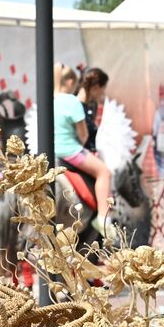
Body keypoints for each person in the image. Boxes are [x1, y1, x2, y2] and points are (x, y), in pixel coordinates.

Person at [51, 63, 111, 234]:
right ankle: (103, 218)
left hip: (52, 151)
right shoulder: (72, 101)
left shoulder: (50, 100)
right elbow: (83, 135)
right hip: (70, 151)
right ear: (69, 82)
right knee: (104, 173)